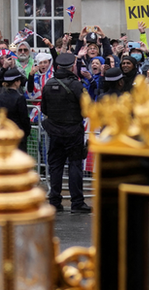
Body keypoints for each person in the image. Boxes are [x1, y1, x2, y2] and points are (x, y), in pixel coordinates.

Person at [40, 52, 91, 214]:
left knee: (56, 166)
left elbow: (44, 109)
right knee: (75, 165)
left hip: (54, 131)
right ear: (72, 67)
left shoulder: (48, 84)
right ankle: (77, 202)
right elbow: (87, 108)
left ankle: (54, 201)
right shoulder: (77, 85)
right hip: (73, 131)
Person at [0, 69, 31, 152]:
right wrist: (26, 131)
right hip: (17, 134)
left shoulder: (1, 96)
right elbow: (24, 118)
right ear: (17, 82)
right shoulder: (19, 98)